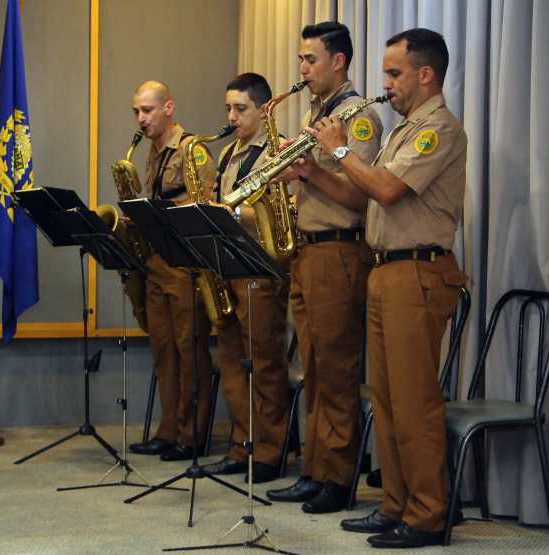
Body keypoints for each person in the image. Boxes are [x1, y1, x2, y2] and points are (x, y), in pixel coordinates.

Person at [307, 28, 469, 548]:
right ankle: (397, 503)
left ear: (427, 74)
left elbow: (389, 189)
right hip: (386, 270)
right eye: (386, 74)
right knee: (388, 398)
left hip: (417, 272)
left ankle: (427, 514)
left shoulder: (437, 128)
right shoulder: (404, 129)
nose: (386, 84)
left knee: (414, 399)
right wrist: (316, 170)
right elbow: (367, 196)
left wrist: (338, 148)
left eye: (395, 74)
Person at [263, 21, 382, 514]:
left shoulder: (357, 117)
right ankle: (314, 470)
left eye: (310, 59)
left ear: (338, 61)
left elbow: (361, 196)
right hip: (308, 251)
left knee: (336, 370)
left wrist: (310, 173)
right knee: (313, 369)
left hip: (339, 250)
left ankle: (337, 477)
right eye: (300, 59)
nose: (302, 68)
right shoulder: (318, 113)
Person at [198, 73, 290, 485]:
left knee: (264, 365)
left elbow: (281, 209)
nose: (232, 117)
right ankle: (242, 445)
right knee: (233, 365)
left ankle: (269, 452)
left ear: (264, 109)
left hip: (260, 270)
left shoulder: (277, 150)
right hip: (228, 267)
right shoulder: (228, 153)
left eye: (241, 108)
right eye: (228, 109)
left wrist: (230, 212)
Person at [127, 81, 215, 462]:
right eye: (136, 112)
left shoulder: (192, 149)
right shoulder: (152, 151)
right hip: (157, 261)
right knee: (163, 350)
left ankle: (193, 434)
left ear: (168, 108)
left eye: (147, 110)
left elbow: (204, 201)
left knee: (189, 349)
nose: (141, 118)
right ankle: (169, 429)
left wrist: (157, 213)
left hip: (186, 262)